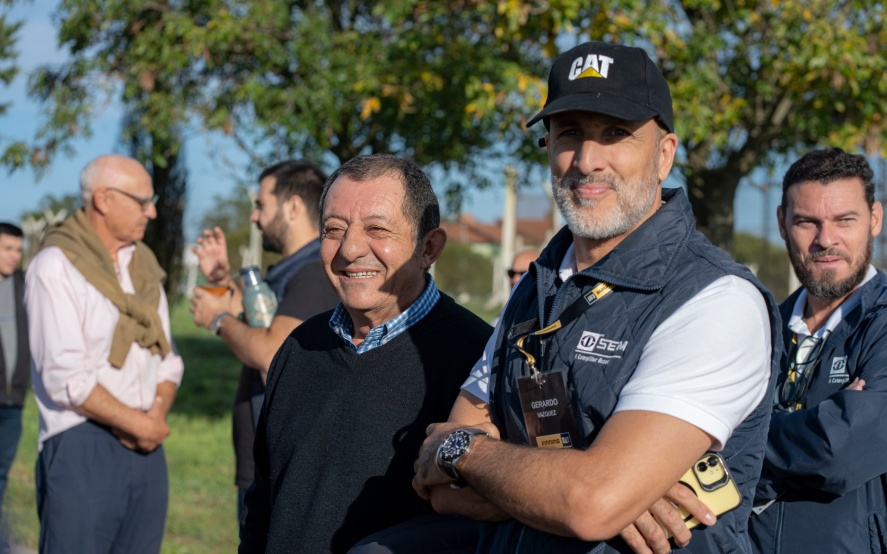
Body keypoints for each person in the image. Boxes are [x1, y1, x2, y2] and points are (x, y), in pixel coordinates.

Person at [412, 41, 781, 553]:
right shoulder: (536, 286)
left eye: (615, 134)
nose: (587, 161)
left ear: (664, 155)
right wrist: (578, 491)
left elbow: (591, 504)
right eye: (569, 133)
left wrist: (461, 453)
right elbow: (441, 489)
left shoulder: (718, 300)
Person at [239, 154, 493, 554]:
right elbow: (262, 507)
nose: (351, 248)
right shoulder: (300, 346)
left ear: (429, 248)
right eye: (334, 229)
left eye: (377, 229)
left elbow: (480, 523)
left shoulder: (478, 361)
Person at [25, 154, 184, 554]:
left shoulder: (145, 268)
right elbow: (65, 378)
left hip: (147, 443)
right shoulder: (55, 267)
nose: (152, 212)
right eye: (142, 201)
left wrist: (155, 416)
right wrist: (138, 424)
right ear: (103, 199)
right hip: (82, 442)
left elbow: (168, 360)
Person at [748, 148, 887, 553]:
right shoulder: (758, 328)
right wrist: (818, 424)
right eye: (807, 222)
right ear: (782, 223)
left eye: (845, 220)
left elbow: (839, 450)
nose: (826, 240)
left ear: (875, 219)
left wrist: (743, 437)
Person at [189, 160, 339, 520]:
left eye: (260, 205)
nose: (253, 216)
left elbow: (274, 352)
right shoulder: (295, 269)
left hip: (282, 469)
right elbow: (263, 321)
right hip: (269, 465)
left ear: (293, 206)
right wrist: (223, 280)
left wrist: (218, 320)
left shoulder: (312, 273)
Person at [0, 222, 27, 541]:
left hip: (13, 403)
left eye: (19, 250)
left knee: (2, 475)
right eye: (7, 248)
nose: (14, 256)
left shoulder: (26, 287)